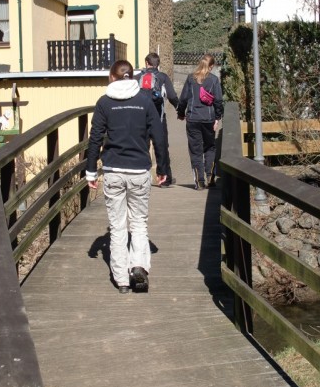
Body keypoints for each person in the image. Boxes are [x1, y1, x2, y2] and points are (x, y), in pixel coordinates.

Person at [86, 60, 167, 294]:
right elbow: (158, 135)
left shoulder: (104, 103)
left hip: (113, 171)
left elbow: (95, 139)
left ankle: (121, 279)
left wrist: (91, 170)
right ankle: (139, 266)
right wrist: (162, 168)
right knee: (139, 224)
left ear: (112, 77)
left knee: (117, 227)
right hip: (139, 171)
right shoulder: (145, 100)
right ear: (133, 77)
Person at [177, 54, 223, 190]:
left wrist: (180, 113)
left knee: (195, 150)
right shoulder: (214, 80)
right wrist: (217, 117)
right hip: (208, 119)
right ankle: (210, 176)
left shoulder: (191, 78)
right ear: (211, 66)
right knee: (210, 147)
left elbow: (183, 98)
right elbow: (218, 101)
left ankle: (199, 181)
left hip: (193, 119)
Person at [135, 52, 179, 187]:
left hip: (141, 117)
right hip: (158, 117)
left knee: (142, 146)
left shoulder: (137, 77)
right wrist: (180, 109)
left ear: (147, 63)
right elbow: (171, 96)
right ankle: (165, 178)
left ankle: (141, 179)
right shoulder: (163, 77)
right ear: (157, 64)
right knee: (162, 146)